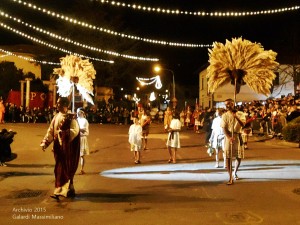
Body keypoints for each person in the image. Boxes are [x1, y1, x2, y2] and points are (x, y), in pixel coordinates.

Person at [40, 97, 80, 200]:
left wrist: (63, 134)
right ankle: (70, 188)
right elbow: (51, 130)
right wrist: (45, 142)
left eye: (58, 103)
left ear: (65, 105)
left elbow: (75, 131)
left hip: (68, 149)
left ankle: (59, 191)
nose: (56, 105)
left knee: (64, 170)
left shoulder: (71, 118)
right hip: (58, 149)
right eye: (57, 103)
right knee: (59, 169)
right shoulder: (56, 117)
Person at [221, 99, 246, 185]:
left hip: (238, 136)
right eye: (225, 104)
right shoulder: (224, 115)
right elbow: (223, 128)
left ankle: (235, 171)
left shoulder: (241, 114)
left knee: (238, 157)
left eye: (228, 104)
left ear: (233, 104)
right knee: (228, 156)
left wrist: (236, 117)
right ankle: (230, 177)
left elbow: (243, 124)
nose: (227, 105)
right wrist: (228, 137)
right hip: (229, 137)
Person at [77, 109, 90, 175]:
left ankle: (81, 169)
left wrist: (82, 131)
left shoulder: (85, 121)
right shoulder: (76, 120)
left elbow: (87, 131)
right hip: (77, 138)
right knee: (76, 155)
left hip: (82, 138)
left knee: (81, 155)